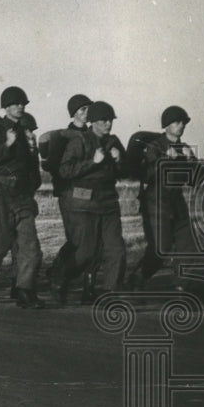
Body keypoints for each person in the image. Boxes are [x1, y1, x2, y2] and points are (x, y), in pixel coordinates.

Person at [0, 87, 45, 308]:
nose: (20, 107)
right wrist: (7, 145)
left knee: (30, 246)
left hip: (21, 195)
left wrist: (31, 183)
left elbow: (32, 168)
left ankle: (24, 290)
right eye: (15, 104)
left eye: (22, 103)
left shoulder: (26, 132)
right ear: (5, 107)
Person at [51, 101, 127, 299]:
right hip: (84, 203)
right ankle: (61, 277)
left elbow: (128, 172)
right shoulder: (80, 141)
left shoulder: (114, 141)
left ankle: (111, 292)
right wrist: (93, 162)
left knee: (115, 248)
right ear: (93, 122)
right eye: (103, 121)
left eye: (110, 120)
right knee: (86, 251)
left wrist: (119, 160)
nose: (108, 124)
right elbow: (65, 170)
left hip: (109, 201)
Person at [128, 105, 200, 290]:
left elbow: (192, 181)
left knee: (189, 245)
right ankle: (136, 279)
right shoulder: (154, 147)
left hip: (176, 201)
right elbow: (147, 176)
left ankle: (180, 286)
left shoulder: (184, 149)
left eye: (183, 122)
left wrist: (191, 162)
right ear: (166, 125)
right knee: (162, 248)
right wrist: (166, 159)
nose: (181, 125)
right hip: (156, 201)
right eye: (177, 122)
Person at [44, 95, 94, 301]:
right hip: (71, 194)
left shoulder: (95, 134)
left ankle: (87, 288)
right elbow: (57, 169)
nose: (86, 113)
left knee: (94, 239)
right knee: (78, 240)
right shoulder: (63, 137)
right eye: (82, 109)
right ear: (73, 113)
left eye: (89, 109)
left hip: (93, 195)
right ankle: (59, 276)